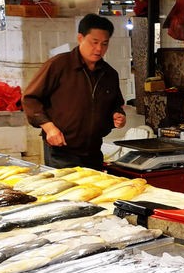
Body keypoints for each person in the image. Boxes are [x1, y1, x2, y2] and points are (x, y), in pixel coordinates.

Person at [23, 14, 126, 170]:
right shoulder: (59, 65)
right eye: (94, 42)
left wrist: (118, 116)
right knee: (66, 194)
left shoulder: (109, 74)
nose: (99, 49)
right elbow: (31, 98)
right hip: (61, 150)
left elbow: (115, 104)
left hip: (93, 151)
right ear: (80, 38)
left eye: (104, 44)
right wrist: (49, 128)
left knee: (93, 193)